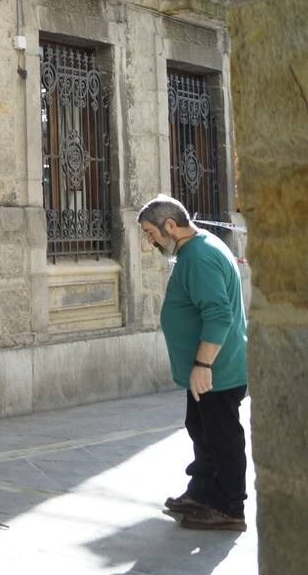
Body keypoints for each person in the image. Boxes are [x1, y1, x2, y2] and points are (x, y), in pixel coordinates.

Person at [138, 195, 249, 532]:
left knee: (222, 438)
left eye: (150, 232)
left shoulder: (199, 257)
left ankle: (229, 508)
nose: (149, 240)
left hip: (217, 372)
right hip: (207, 372)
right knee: (202, 432)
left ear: (170, 225)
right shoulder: (195, 249)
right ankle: (202, 494)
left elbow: (218, 315)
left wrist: (203, 365)